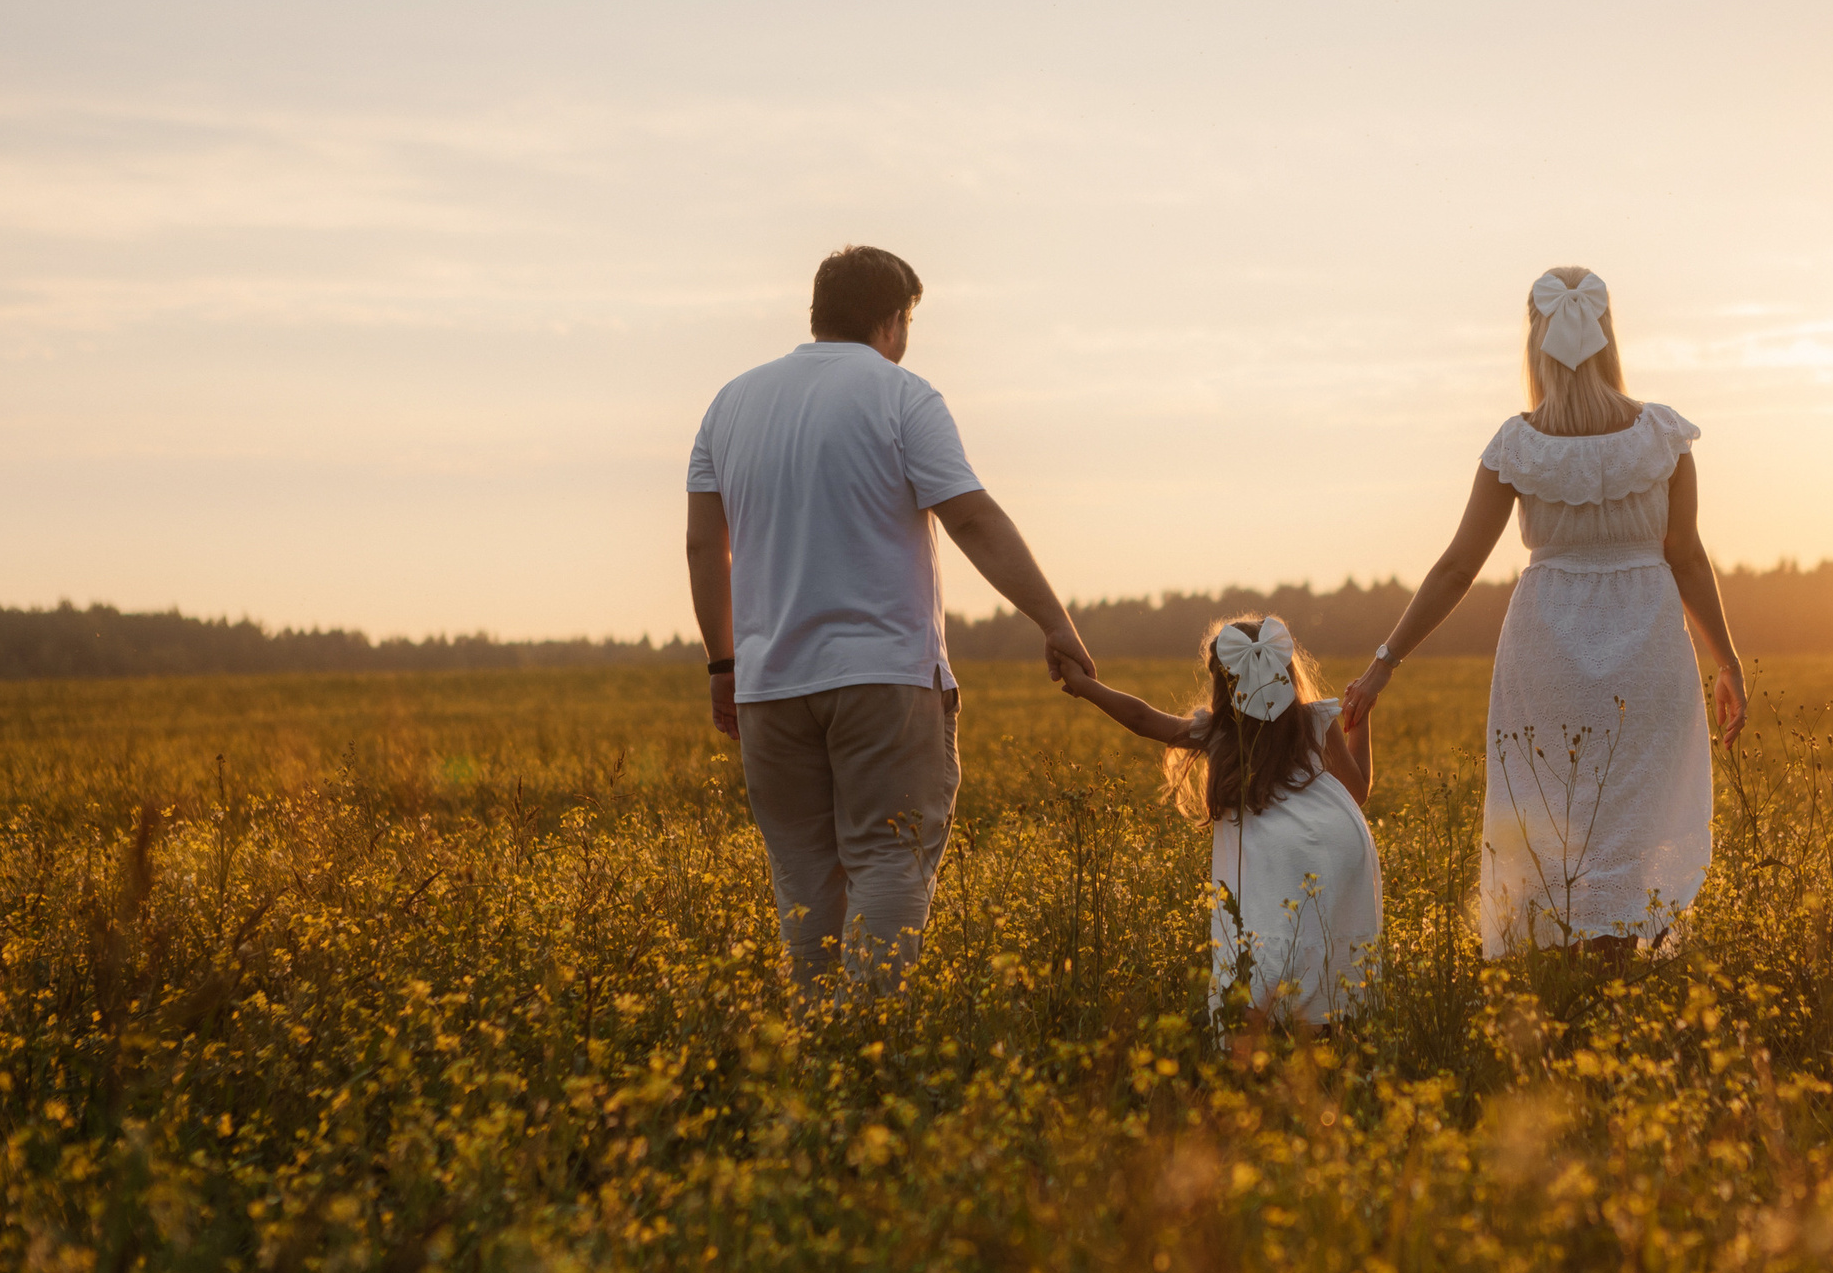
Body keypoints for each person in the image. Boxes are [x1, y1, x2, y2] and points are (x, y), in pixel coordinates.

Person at [684, 244, 1095, 993]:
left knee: (804, 876)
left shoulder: (730, 404)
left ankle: (821, 1050)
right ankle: (869, 1036)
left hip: (768, 684)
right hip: (885, 677)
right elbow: (970, 519)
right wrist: (1053, 620)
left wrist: (723, 663)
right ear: (892, 320)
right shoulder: (903, 395)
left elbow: (705, 545)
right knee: (888, 860)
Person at [1341, 266, 1746, 959]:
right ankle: (1622, 978)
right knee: (1631, 827)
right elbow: (1686, 557)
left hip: (1546, 654)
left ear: (1534, 342)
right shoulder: (1662, 438)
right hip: (1648, 649)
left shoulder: (1518, 445)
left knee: (1556, 830)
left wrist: (1384, 662)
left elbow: (1455, 569)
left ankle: (1561, 987)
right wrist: (1727, 660)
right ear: (1609, 333)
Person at [1057, 614, 1380, 1029]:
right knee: (1323, 946)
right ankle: (1326, 1038)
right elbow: (1357, 792)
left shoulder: (1221, 733)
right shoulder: (1314, 719)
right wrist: (1361, 721)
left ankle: (1249, 1054)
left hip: (1276, 853)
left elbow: (1142, 718)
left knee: (1259, 954)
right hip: (1340, 842)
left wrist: (1085, 687)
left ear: (1221, 684)